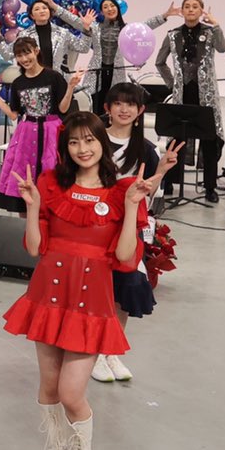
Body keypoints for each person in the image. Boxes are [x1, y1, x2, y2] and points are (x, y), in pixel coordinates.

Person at [1, 110, 179, 450]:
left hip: (91, 302)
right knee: (49, 389)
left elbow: (125, 257)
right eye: (74, 142)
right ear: (65, 147)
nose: (82, 149)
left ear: (102, 143)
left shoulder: (122, 191)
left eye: (89, 140)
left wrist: (132, 207)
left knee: (71, 393)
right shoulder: (50, 184)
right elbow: (35, 249)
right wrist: (32, 207)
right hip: (48, 296)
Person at [94, 82, 164, 384]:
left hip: (127, 228)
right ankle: (92, 353)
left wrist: (162, 170)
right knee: (97, 289)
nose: (124, 109)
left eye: (131, 105)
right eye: (118, 103)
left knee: (126, 287)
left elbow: (150, 193)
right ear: (107, 108)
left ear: (140, 110)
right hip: (94, 225)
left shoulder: (146, 149)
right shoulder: (93, 140)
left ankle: (111, 351)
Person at [0, 37, 82, 213]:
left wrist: (70, 88)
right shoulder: (18, 83)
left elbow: (63, 108)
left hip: (51, 130)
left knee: (50, 169)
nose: (24, 59)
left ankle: (47, 217)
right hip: (27, 132)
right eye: (19, 55)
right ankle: (25, 223)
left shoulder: (53, 77)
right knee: (25, 173)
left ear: (36, 51)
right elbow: (13, 114)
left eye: (27, 53)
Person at [153, 0, 225, 203]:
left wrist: (216, 25)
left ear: (201, 10)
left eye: (195, 6)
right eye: (187, 6)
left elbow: (223, 48)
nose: (190, 9)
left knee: (209, 139)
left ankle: (210, 187)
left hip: (206, 95)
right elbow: (160, 62)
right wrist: (172, 83)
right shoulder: (172, 35)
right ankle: (170, 181)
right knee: (177, 139)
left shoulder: (210, 32)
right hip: (183, 94)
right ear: (182, 11)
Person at [0, 0, 89, 80]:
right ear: (32, 15)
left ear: (50, 12)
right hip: (33, 82)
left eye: (44, 8)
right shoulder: (25, 35)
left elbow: (83, 47)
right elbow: (7, 54)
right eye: (37, 9)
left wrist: (86, 29)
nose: (42, 11)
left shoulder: (63, 33)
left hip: (59, 81)